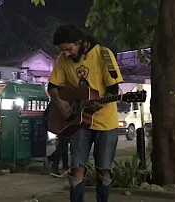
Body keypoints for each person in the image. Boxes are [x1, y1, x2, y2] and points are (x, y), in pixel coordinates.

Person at [47, 24, 123, 202]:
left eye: (69, 49)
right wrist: (60, 102)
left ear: (80, 42)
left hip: (106, 124)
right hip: (78, 123)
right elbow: (52, 86)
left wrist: (101, 104)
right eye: (63, 50)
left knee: (103, 170)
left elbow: (113, 89)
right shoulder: (63, 59)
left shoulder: (103, 54)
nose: (66, 53)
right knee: (76, 169)